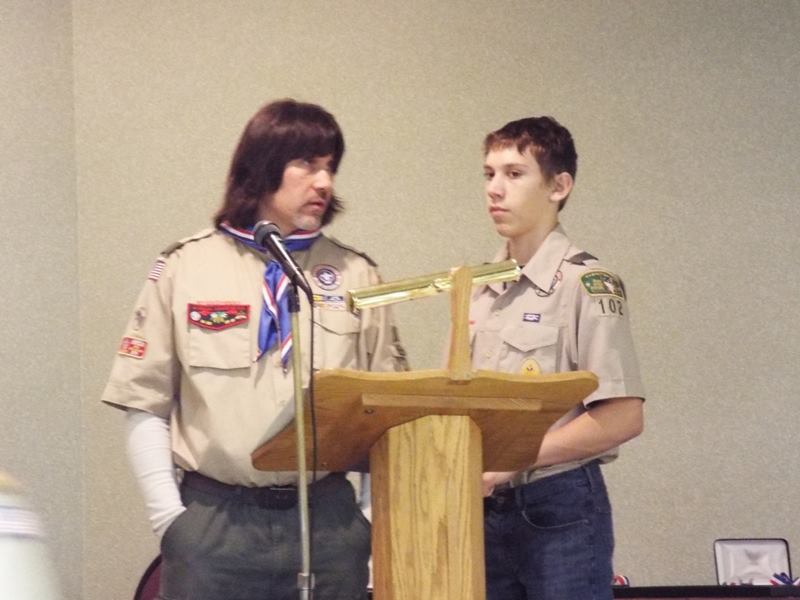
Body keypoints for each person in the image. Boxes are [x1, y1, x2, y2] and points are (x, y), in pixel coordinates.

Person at [101, 99, 408, 600]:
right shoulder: (185, 266)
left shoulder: (356, 275)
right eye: (307, 164)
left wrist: (370, 523)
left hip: (327, 523)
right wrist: (170, 521)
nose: (324, 182)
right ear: (263, 166)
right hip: (215, 524)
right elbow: (144, 401)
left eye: (330, 167)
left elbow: (389, 416)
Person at [472, 116, 645, 600]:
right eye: (489, 174)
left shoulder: (586, 284)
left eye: (514, 173)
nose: (495, 189)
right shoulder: (478, 289)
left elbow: (623, 416)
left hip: (558, 506)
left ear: (558, 186)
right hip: (483, 510)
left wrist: (513, 461)